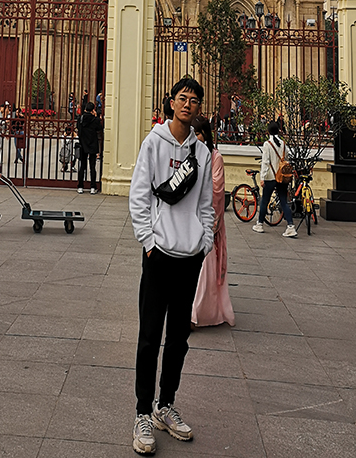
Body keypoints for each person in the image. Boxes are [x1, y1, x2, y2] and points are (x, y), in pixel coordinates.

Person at [129, 79, 214, 455]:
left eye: (194, 100)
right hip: (159, 254)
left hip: (190, 257)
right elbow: (139, 194)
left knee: (178, 338)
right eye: (183, 98)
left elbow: (206, 204)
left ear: (199, 108)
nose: (188, 105)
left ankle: (165, 405)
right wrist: (148, 242)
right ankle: (142, 412)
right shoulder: (154, 142)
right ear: (172, 102)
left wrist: (204, 242)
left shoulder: (203, 153)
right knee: (150, 336)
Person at [191, 115, 235, 328]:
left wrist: (211, 220)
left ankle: (196, 313)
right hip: (188, 217)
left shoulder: (215, 157)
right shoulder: (187, 152)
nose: (195, 137)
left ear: (205, 135)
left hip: (207, 218)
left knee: (205, 267)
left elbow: (217, 189)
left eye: (198, 133)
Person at [252, 121, 297, 238]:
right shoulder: (283, 144)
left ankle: (260, 224)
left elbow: (265, 162)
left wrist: (262, 177)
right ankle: (290, 226)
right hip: (281, 177)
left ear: (268, 131)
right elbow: (287, 157)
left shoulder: (267, 144)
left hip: (270, 177)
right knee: (283, 201)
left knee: (265, 201)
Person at [76, 102, 102, 194]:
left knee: (82, 166)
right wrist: (96, 117)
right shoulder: (95, 120)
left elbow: (78, 128)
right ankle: (93, 187)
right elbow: (99, 128)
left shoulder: (81, 119)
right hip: (92, 144)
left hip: (83, 144)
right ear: (93, 110)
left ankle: (80, 186)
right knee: (92, 166)